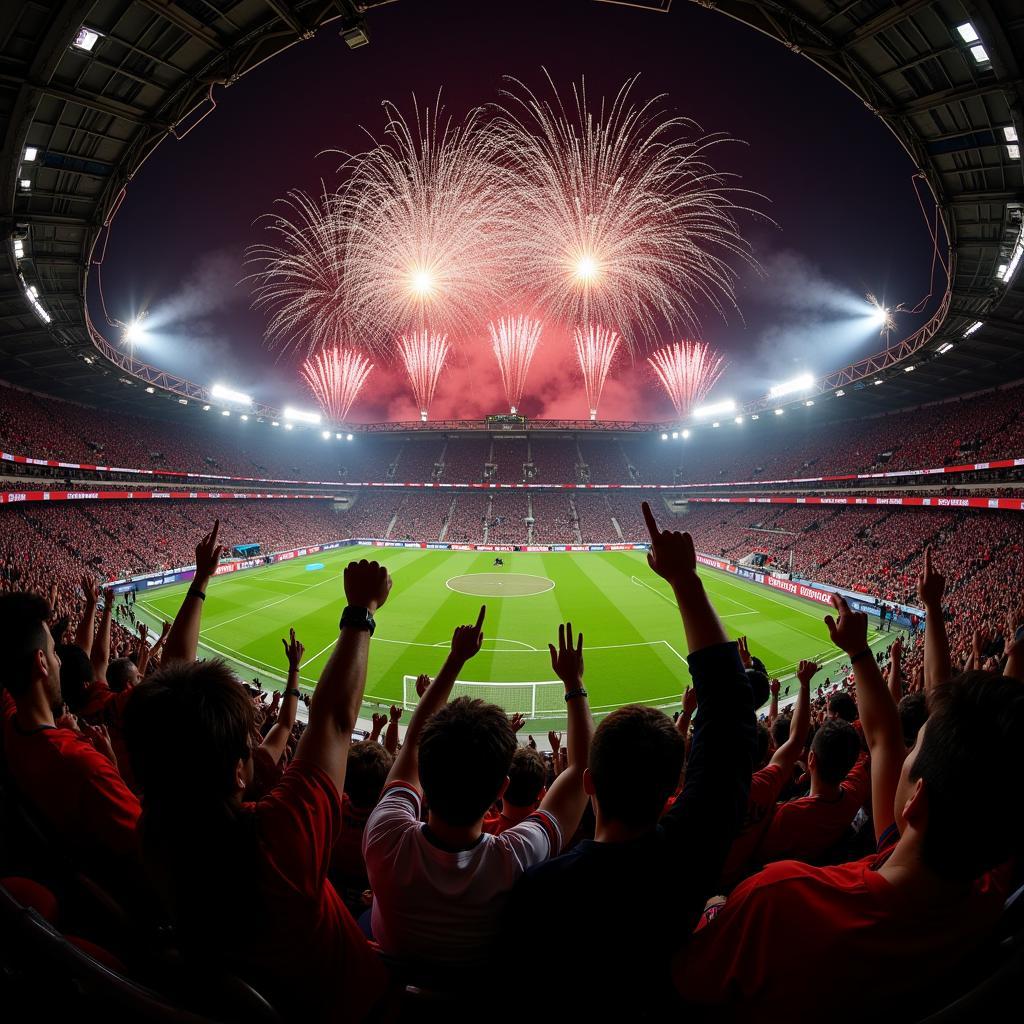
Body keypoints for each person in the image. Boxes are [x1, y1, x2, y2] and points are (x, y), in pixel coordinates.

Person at [673, 592, 1023, 1023]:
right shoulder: (987, 883)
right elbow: (885, 738)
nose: (900, 756)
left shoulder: (780, 898)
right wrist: (867, 649)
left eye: (913, 756)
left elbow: (683, 983)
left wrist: (714, 905)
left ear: (915, 802)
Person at [123, 521, 391, 1023]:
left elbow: (170, 700)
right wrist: (361, 615)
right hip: (349, 1012)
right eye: (248, 746)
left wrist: (202, 580)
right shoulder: (282, 837)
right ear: (237, 773)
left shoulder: (153, 832)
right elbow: (332, 724)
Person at [503, 500, 756, 1015]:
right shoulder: (692, 852)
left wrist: (574, 685)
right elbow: (730, 718)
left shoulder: (537, 889)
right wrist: (686, 581)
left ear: (591, 783)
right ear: (671, 790)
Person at [362, 607, 593, 984]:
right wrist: (574, 682)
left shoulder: (385, 834)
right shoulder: (516, 856)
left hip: (388, 986)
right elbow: (581, 770)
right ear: (501, 791)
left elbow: (412, 743)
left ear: (423, 777)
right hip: (482, 999)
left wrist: (454, 660)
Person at [0, 590, 142, 887]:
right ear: (41, 662)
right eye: (53, 652)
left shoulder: (9, 724)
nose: (59, 662)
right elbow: (150, 847)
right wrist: (114, 770)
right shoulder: (86, 766)